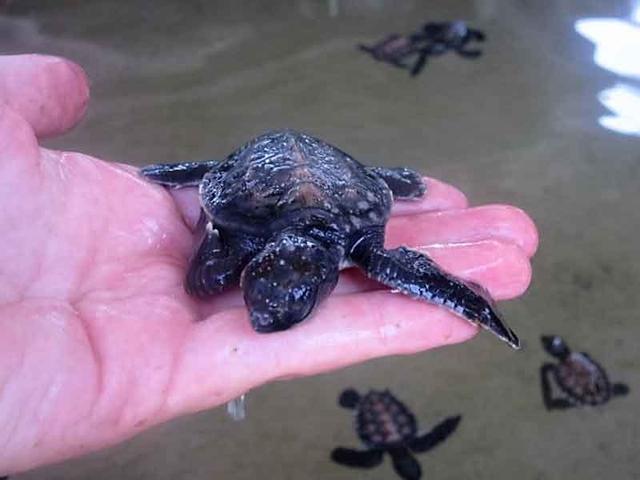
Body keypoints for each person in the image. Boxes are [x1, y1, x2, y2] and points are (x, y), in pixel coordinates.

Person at [0, 54, 538, 475]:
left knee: (210, 280)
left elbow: (403, 265)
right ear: (256, 264)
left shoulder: (360, 236)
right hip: (256, 170)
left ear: (323, 280)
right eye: (260, 297)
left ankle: (389, 182)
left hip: (337, 177)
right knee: (204, 283)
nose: (261, 319)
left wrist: (469, 300)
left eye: (280, 305)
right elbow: (208, 272)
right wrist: (218, 231)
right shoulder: (252, 230)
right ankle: (210, 172)